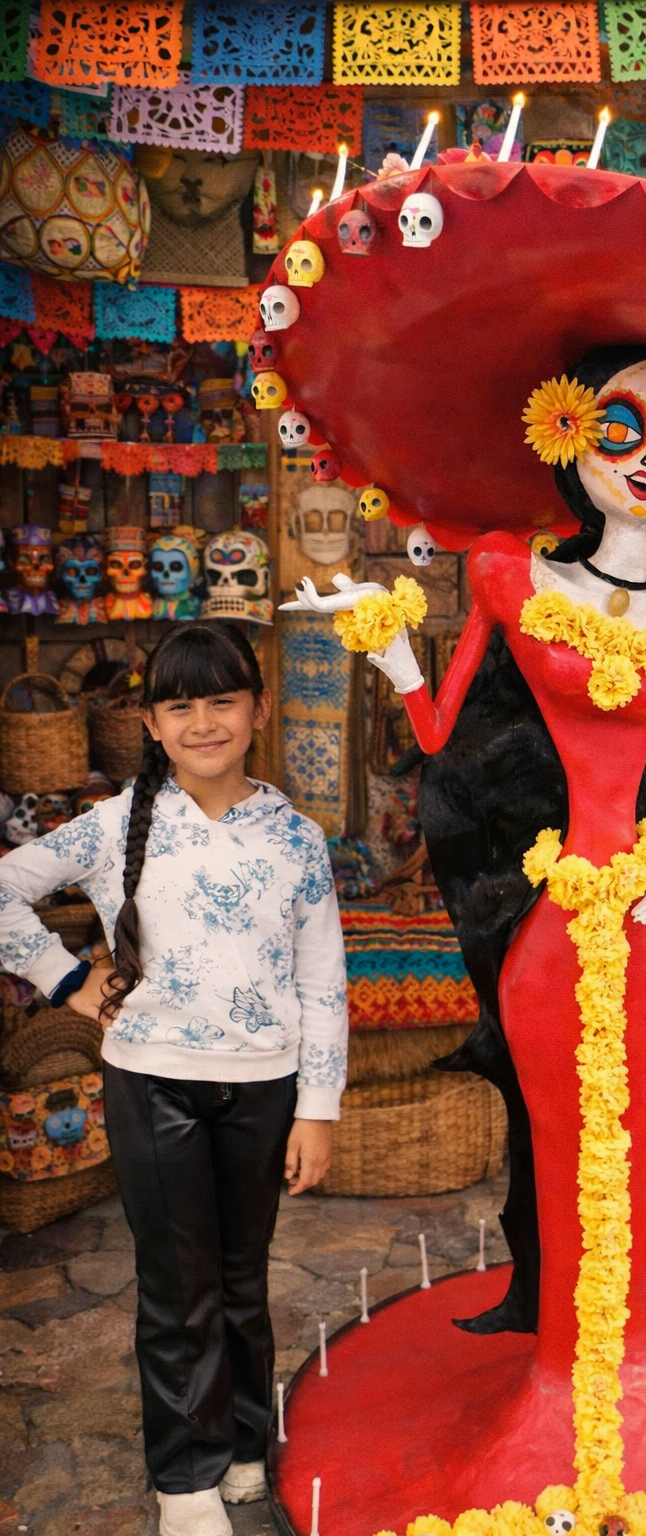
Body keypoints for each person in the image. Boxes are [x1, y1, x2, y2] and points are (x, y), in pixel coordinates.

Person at [285, 345, 646, 1509]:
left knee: (642, 1153)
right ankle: (557, 1387)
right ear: (568, 438)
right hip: (553, 929)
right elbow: (444, 733)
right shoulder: (508, 577)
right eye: (622, 430)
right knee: (559, 1150)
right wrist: (386, 641)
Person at [0, 620, 348, 1536]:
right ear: (151, 723)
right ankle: (184, 1480)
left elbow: (323, 981)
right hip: (152, 1083)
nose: (202, 722)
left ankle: (240, 1448)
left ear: (258, 710)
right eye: (178, 704)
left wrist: (318, 1108)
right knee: (178, 1284)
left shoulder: (296, 838)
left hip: (266, 1086)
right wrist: (68, 979)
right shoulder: (115, 826)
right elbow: (4, 888)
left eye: (221, 700)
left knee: (240, 1278)